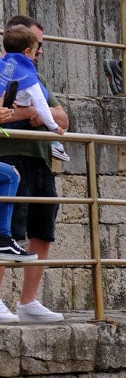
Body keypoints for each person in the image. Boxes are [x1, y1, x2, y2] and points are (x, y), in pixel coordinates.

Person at [0, 17, 66, 323]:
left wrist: (48, 114)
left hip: (41, 161)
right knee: (5, 232)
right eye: (35, 44)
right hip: (10, 157)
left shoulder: (35, 76)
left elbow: (63, 119)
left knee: (43, 232)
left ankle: (28, 303)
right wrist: (32, 112)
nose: (38, 51)